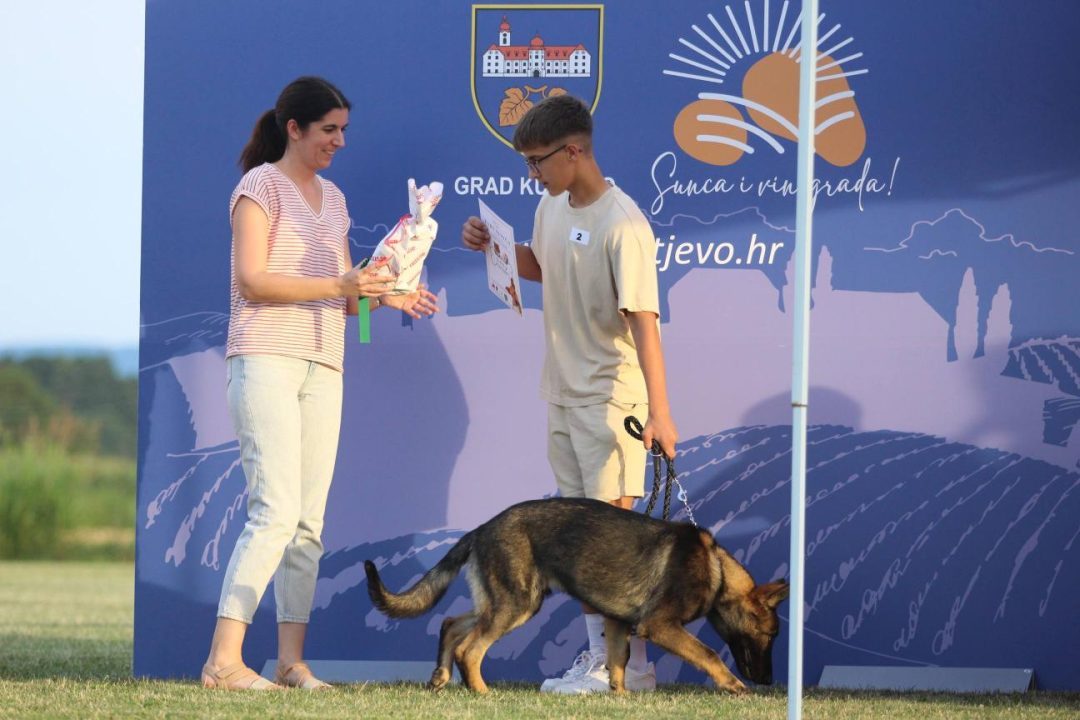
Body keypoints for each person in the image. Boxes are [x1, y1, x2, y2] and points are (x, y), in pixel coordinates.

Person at [201, 76, 438, 691]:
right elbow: (253, 281)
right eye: (329, 129)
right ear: (294, 129)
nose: (339, 141)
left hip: (324, 364)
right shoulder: (258, 188)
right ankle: (223, 662)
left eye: (343, 130)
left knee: (308, 523)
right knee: (274, 512)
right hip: (265, 359)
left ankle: (290, 663)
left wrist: (387, 297)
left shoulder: (334, 200)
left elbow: (345, 300)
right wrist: (342, 285)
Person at [461, 94, 677, 694]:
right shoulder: (550, 205)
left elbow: (645, 323)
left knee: (609, 546)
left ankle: (626, 670)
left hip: (611, 400)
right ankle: (609, 664)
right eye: (527, 163)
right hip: (562, 391)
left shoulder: (625, 225)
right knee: (584, 548)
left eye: (538, 161)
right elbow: (542, 265)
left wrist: (660, 413)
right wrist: (493, 246)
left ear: (574, 151)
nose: (532, 174)